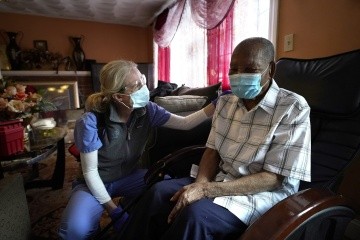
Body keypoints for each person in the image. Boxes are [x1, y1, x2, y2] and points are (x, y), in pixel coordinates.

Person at [118, 37, 311, 240]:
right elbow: (213, 151)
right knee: (158, 193)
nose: (239, 76)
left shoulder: (292, 108)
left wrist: (205, 190)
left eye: (250, 69)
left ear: (270, 70)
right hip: (220, 179)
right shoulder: (226, 103)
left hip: (260, 195)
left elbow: (274, 179)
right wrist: (200, 184)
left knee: (195, 215)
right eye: (233, 69)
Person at [58, 60, 218, 239]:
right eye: (137, 85)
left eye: (143, 80)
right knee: (73, 231)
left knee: (168, 190)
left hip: (129, 177)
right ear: (119, 97)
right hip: (95, 182)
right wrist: (113, 210)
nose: (145, 88)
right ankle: (96, 223)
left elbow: (185, 123)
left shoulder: (148, 111)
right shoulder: (91, 122)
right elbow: (90, 173)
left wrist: (215, 104)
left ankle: (132, 205)